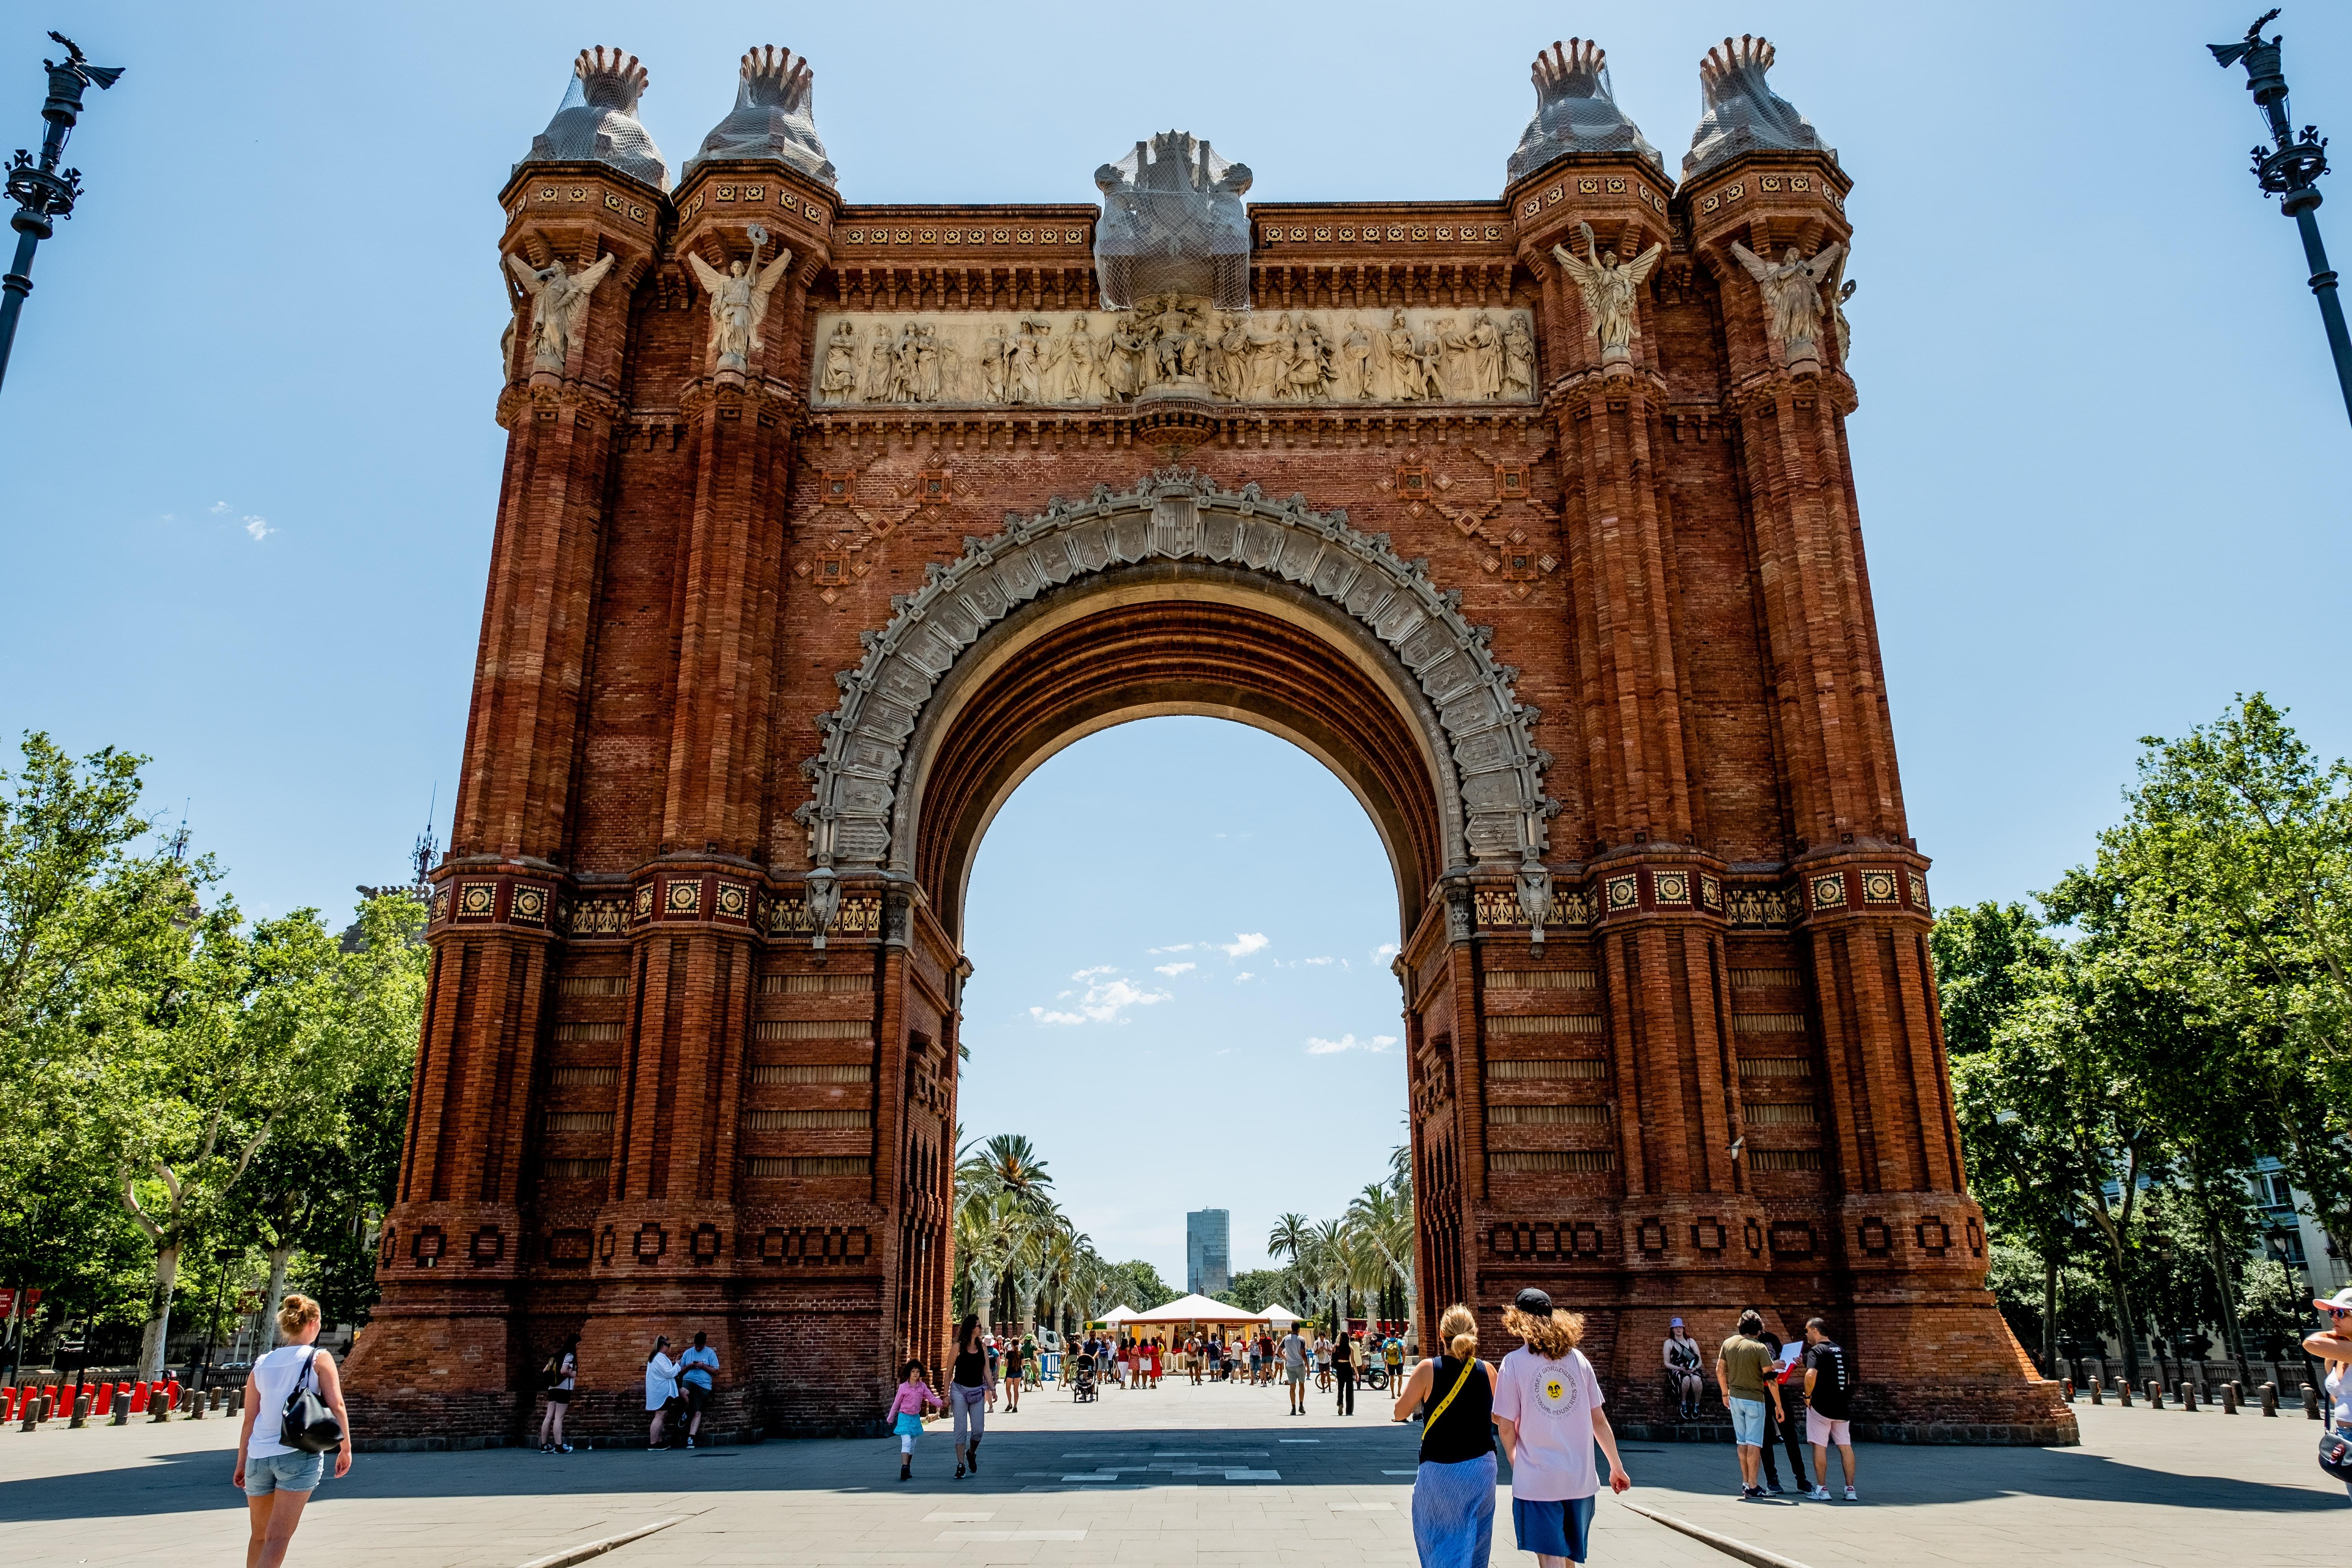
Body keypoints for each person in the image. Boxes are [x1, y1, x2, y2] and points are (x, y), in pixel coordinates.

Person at [1492, 1287, 1632, 1568]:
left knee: (1549, 1558)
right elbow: (1599, 1421)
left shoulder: (1514, 1363)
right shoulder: (1579, 1360)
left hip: (1538, 1480)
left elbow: (1505, 1425)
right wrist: (1616, 1467)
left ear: (1518, 1321)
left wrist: (1515, 1459)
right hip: (1579, 1479)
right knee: (1569, 1557)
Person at [233, 1293, 354, 1568]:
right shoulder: (318, 1358)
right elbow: (337, 1404)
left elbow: (249, 1419)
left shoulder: (262, 1363)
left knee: (260, 1537)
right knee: (279, 1537)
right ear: (312, 1323)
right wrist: (345, 1447)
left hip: (258, 1456)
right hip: (298, 1454)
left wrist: (241, 1462)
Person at [1395, 1304, 1495, 1568]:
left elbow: (1400, 1412)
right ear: (1475, 1333)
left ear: (1441, 1335)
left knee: (1437, 1539)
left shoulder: (1429, 1369)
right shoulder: (1488, 1371)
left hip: (1440, 1470)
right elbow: (1499, 1417)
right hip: (1481, 1469)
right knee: (1476, 1540)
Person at [1716, 1310, 1779, 1499]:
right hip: (1754, 1399)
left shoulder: (1729, 1343)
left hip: (1734, 1398)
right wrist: (1779, 1405)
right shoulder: (1760, 1348)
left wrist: (1724, 1393)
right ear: (1759, 1330)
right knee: (1754, 1443)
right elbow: (1771, 1379)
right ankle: (1753, 1486)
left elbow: (1720, 1370)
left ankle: (1745, 1483)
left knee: (1742, 1442)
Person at [1800, 1318, 1858, 1501]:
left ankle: (1822, 1489)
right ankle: (1850, 1490)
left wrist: (1808, 1396)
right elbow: (1846, 1380)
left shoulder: (1816, 1351)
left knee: (1820, 1446)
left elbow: (1811, 1374)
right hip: (1842, 1406)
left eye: (1808, 1331)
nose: (1807, 1334)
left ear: (1816, 1331)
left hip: (1821, 1406)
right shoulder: (1842, 1351)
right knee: (1845, 1446)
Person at [2308, 1287, 2352, 1503]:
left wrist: (2334, 1335)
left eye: (2341, 1313)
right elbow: (2337, 1394)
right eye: (2331, 1312)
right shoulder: (2334, 1356)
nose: (2334, 1317)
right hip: (2345, 1437)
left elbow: (2312, 1342)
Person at [1753, 1330, 1810, 1495]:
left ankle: (1802, 1478)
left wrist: (1794, 1361)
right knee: (1765, 1437)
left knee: (1790, 1434)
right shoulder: (1747, 1342)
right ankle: (1772, 1479)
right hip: (1759, 1391)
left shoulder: (1771, 1338)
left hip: (1778, 1388)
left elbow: (1783, 1358)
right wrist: (1772, 1366)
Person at [948, 1313, 994, 1479]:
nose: (981, 1329)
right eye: (979, 1326)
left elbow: (987, 1370)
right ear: (971, 1328)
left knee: (978, 1431)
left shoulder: (982, 1347)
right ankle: (960, 1464)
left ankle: (971, 1453)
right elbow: (948, 1372)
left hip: (977, 1391)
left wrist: (993, 1388)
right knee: (960, 1429)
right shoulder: (958, 1347)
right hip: (959, 1390)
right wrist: (946, 1394)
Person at [886, 1359, 944, 1482]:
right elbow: (896, 1404)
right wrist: (891, 1417)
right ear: (909, 1373)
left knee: (912, 1446)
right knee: (906, 1443)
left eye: (918, 1371)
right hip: (904, 1418)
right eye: (913, 1371)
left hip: (915, 1419)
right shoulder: (903, 1387)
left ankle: (908, 1467)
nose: (916, 1374)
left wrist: (943, 1404)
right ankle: (904, 1467)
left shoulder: (922, 1387)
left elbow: (932, 1398)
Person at [677, 1330, 719, 1449]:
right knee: (683, 1392)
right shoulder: (688, 1352)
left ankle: (691, 1437)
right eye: (696, 1345)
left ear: (704, 1344)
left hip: (704, 1386)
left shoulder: (710, 1353)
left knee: (697, 1412)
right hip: (689, 1380)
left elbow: (716, 1371)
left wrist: (703, 1366)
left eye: (700, 1346)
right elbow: (680, 1372)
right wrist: (690, 1366)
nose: (697, 1348)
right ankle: (686, 1410)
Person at [539, 1334, 579, 1453]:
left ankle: (545, 1446)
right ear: (574, 1344)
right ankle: (559, 1446)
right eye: (578, 1345)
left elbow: (545, 1370)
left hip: (552, 1388)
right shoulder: (570, 1355)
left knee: (549, 1416)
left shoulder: (556, 1356)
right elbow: (564, 1371)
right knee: (559, 1417)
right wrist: (573, 1374)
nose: (579, 1348)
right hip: (564, 1388)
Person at [1662, 1319, 1703, 1421]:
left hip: (1692, 1368)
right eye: (1676, 1327)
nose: (1679, 1329)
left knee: (1696, 1380)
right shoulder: (1669, 1343)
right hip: (1677, 1369)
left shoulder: (1691, 1341)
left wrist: (1695, 1368)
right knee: (1686, 1380)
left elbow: (1699, 1361)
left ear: (1683, 1329)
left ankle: (1697, 1405)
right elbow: (1667, 1363)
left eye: (1680, 1327)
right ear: (1672, 1330)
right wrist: (1678, 1368)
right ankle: (1683, 1403)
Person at [644, 1336, 680, 1450]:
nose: (669, 1348)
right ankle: (654, 1443)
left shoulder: (658, 1357)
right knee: (660, 1416)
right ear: (662, 1346)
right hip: (662, 1392)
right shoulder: (659, 1358)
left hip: (662, 1391)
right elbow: (669, 1373)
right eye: (668, 1345)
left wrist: (674, 1364)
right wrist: (678, 1365)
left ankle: (658, 1441)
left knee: (663, 1415)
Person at [1281, 1322, 1310, 1414]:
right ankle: (1301, 1406)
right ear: (1299, 1329)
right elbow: (1304, 1355)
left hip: (1290, 1366)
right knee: (1302, 1385)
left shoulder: (1286, 1339)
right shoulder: (1301, 1340)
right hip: (1300, 1365)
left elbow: (1278, 1352)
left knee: (1292, 1387)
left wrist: (1287, 1359)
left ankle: (1293, 1408)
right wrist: (1308, 1367)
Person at [1333, 1325, 1357, 1415]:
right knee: (1350, 1389)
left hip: (1340, 1367)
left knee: (1340, 1388)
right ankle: (1349, 1409)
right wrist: (1357, 1373)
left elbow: (1333, 1358)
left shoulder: (1337, 1347)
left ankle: (1340, 1403)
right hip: (1348, 1366)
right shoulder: (1350, 1348)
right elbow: (1353, 1361)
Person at [1003, 1335, 1025, 1412]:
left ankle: (1010, 1403)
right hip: (1018, 1372)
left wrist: (1010, 1366)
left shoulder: (1009, 1353)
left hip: (1011, 1372)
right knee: (1016, 1390)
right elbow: (1023, 1364)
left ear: (1012, 1344)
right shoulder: (1021, 1353)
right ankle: (1016, 1406)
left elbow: (1005, 1364)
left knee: (1008, 1389)